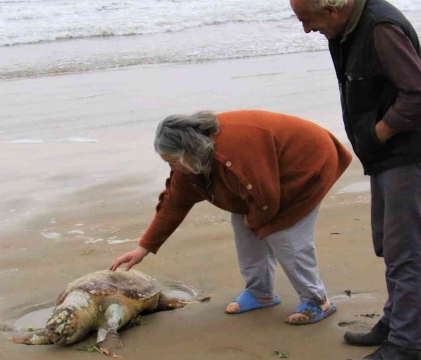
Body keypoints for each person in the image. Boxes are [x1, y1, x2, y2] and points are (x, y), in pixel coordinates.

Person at [289, 0, 421, 359]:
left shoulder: (379, 29)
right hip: (385, 156)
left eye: (307, 20)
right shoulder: (346, 27)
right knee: (388, 246)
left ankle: (405, 346)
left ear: (330, 10)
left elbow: (419, 92)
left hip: (407, 153)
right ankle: (393, 323)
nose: (306, 29)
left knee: (403, 252)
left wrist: (378, 134)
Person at [109, 110, 352, 325]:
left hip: (305, 160)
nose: (172, 167)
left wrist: (256, 220)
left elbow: (266, 199)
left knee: (282, 233)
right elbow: (173, 204)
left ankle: (317, 301)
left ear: (189, 150)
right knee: (243, 224)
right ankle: (260, 293)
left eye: (172, 161)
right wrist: (143, 248)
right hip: (261, 176)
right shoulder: (187, 165)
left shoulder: (232, 153)